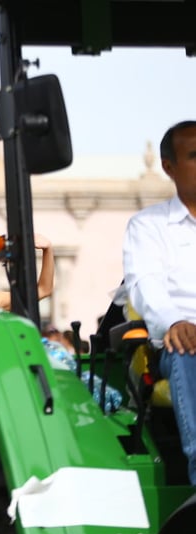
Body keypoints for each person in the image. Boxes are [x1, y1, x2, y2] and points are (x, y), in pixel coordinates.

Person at [123, 120, 196, 486]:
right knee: (186, 350)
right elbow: (145, 285)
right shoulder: (149, 226)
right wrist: (175, 324)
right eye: (194, 156)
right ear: (169, 166)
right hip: (181, 339)